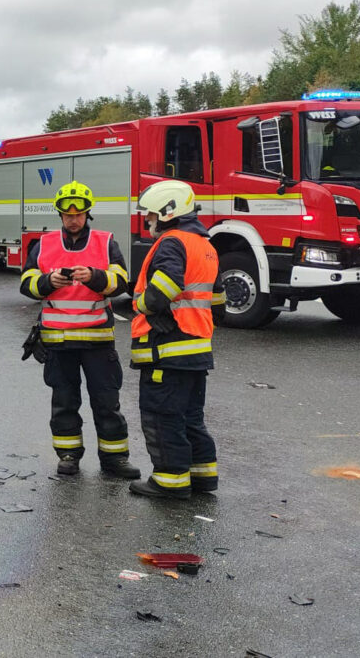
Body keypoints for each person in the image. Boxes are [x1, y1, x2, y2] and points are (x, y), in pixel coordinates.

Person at [19, 181, 139, 480]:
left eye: (79, 214)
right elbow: (26, 284)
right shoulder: (44, 244)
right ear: (60, 214)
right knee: (64, 403)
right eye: (68, 214)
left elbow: (121, 283)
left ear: (87, 213)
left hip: (97, 341)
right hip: (58, 342)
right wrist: (47, 282)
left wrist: (95, 276)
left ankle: (115, 459)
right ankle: (68, 456)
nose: (74, 219)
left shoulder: (105, 242)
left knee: (107, 402)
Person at [127, 180, 225, 499]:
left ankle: (170, 481)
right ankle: (202, 476)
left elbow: (164, 288)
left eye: (151, 214)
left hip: (167, 350)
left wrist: (143, 305)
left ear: (168, 212)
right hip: (196, 352)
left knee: (162, 416)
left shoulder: (171, 242)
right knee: (190, 418)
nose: (147, 220)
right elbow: (219, 300)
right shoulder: (205, 246)